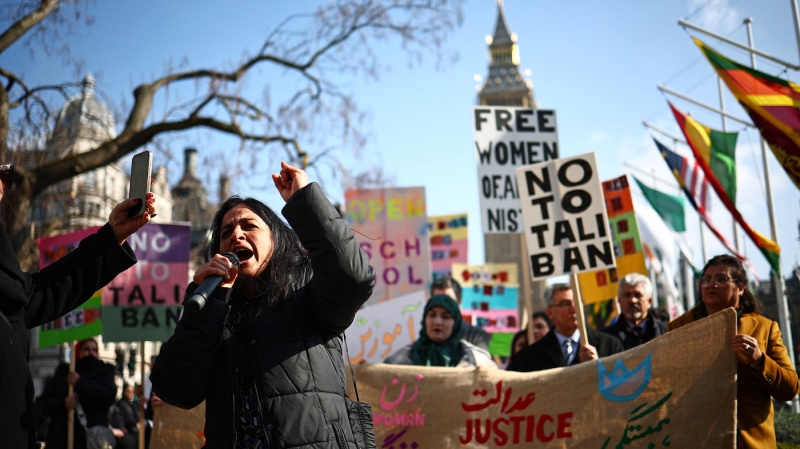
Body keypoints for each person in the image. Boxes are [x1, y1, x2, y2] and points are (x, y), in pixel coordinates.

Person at [150, 162, 375, 448]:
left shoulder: (307, 289)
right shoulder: (213, 312)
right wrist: (205, 308)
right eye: (226, 232)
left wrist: (306, 202)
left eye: (249, 226)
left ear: (276, 240)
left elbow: (354, 279)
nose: (236, 235)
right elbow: (175, 390)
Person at [0, 162, 155, 449]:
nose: (4, 185)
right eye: (3, 174)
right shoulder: (61, 373)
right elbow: (46, 404)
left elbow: (38, 292)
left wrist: (111, 237)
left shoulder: (104, 372)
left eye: (5, 176)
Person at [668, 255, 799, 448]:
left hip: (747, 442)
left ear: (741, 288)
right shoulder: (678, 328)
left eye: (721, 279)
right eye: (706, 279)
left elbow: (790, 388)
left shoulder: (764, 328)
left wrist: (759, 360)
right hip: (696, 440)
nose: (711, 284)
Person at [507, 284, 623, 372]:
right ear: (550, 312)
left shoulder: (610, 345)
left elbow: (623, 385)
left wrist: (598, 366)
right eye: (565, 304)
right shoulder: (534, 354)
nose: (573, 309)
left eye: (577, 302)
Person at [40, 339, 117, 449]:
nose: (91, 353)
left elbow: (107, 396)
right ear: (77, 351)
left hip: (90, 440)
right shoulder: (62, 374)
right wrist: (63, 404)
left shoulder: (104, 373)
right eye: (86, 349)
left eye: (94, 350)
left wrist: (79, 383)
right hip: (61, 439)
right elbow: (43, 404)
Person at [384, 294, 497, 368]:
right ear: (424, 319)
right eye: (432, 315)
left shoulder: (477, 360)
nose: (437, 322)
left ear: (456, 323)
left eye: (446, 317)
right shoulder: (398, 360)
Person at [601, 274, 667, 350]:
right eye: (627, 295)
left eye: (638, 295)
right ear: (619, 300)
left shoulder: (668, 331)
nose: (632, 300)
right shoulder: (605, 339)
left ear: (649, 301)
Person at [431, 276, 491, 351]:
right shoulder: (424, 340)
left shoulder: (476, 335)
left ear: (459, 301)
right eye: (437, 299)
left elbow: (481, 361)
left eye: (448, 299)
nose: (442, 305)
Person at [111, 383, 139, 449]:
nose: (130, 393)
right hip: (126, 431)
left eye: (132, 391)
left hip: (133, 431)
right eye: (128, 391)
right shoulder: (121, 404)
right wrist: (121, 427)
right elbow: (119, 418)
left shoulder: (133, 404)